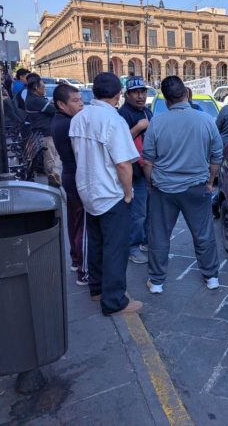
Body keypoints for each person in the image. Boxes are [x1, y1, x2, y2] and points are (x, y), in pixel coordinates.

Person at [141, 76, 223, 294]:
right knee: (203, 233)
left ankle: (157, 281)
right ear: (186, 94)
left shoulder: (157, 122)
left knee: (159, 234)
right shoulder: (206, 120)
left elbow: (147, 160)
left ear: (166, 100)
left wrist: (150, 185)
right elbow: (216, 156)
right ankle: (211, 276)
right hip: (197, 187)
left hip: (164, 188)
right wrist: (211, 182)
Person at [70, 72, 142, 315]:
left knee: (97, 243)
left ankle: (96, 289)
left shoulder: (80, 118)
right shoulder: (114, 120)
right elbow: (123, 164)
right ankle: (114, 301)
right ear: (118, 95)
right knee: (115, 248)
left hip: (87, 190)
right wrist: (128, 192)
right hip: (110, 192)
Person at [50, 84, 88, 286]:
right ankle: (83, 269)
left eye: (81, 99)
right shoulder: (69, 124)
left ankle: (76, 260)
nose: (81, 103)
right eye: (75, 101)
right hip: (76, 177)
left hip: (70, 176)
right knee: (83, 225)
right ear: (61, 104)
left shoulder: (62, 120)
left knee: (74, 221)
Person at [118, 76, 153, 265]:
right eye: (136, 92)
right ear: (127, 95)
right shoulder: (123, 114)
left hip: (149, 168)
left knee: (148, 210)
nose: (140, 96)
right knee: (137, 213)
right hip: (134, 172)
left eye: (143, 92)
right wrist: (137, 128)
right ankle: (132, 247)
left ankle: (146, 241)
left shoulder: (147, 111)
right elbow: (120, 143)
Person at [24, 77, 62, 186]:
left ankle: (55, 176)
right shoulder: (35, 100)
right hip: (45, 133)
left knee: (55, 156)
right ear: (36, 88)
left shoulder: (33, 98)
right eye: (43, 87)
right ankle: (53, 179)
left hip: (44, 132)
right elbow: (54, 109)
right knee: (51, 157)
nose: (44, 89)